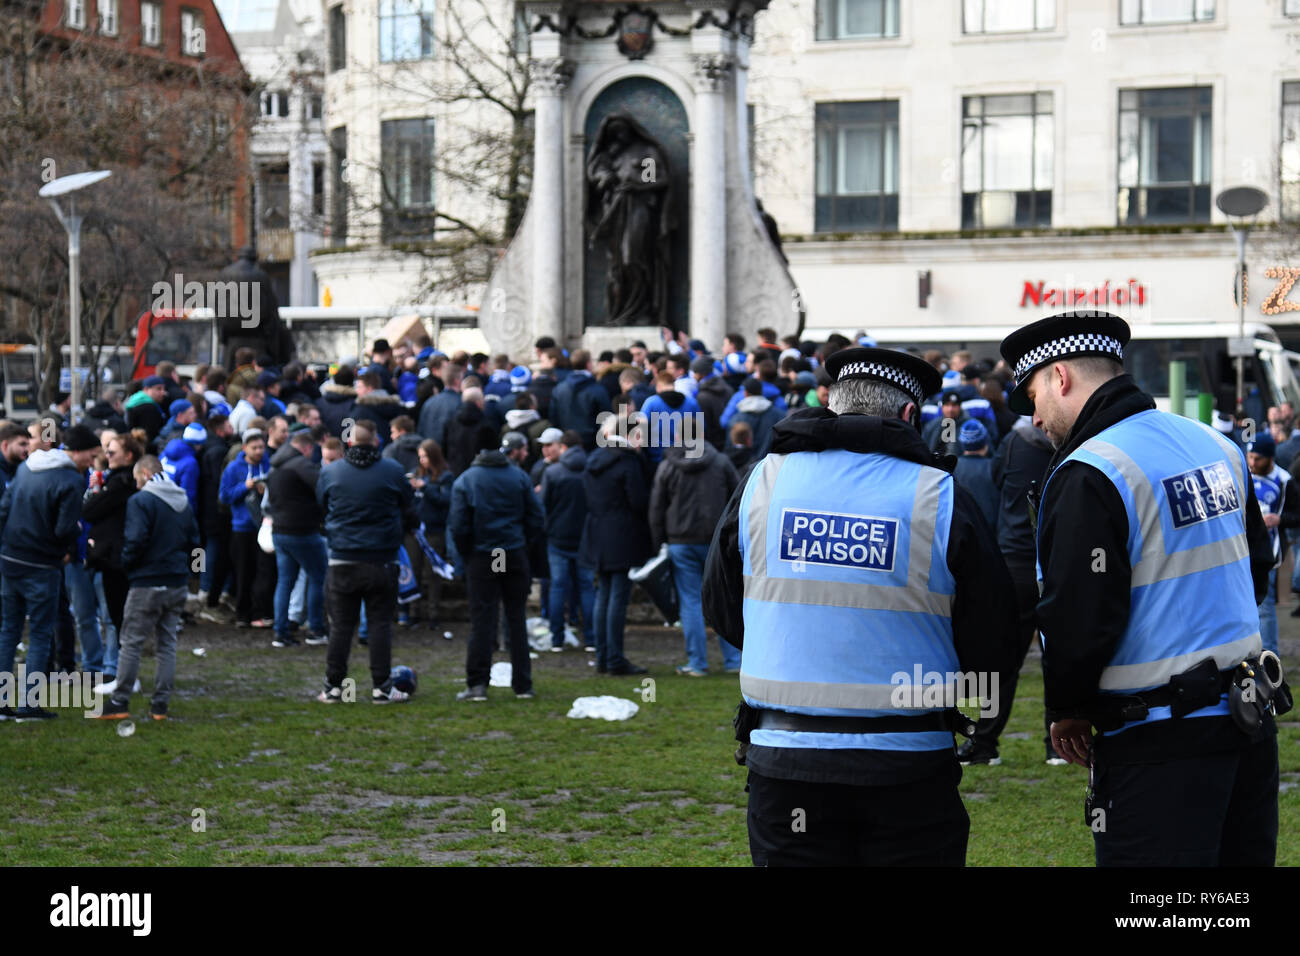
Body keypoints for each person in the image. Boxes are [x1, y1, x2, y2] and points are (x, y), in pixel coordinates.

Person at [702, 347, 1018, 866]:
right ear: (911, 417)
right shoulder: (938, 495)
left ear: (830, 403)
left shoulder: (765, 480)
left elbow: (720, 604)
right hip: (908, 766)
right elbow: (994, 634)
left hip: (786, 762)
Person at [1000, 312, 1278, 866]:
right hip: (1247, 723)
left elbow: (1080, 615)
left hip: (1157, 743)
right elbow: (1255, 568)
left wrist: (1069, 708)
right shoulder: (1214, 445)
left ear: (1060, 378)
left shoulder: (1090, 470)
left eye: (1033, 396)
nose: (1035, 417)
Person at [959, 414, 1057, 766]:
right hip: (1057, 561)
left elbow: (997, 480)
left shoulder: (1013, 443)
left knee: (1004, 660)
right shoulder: (1073, 443)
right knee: (1058, 658)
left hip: (1016, 559)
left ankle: (984, 742)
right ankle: (1057, 744)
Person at [0, 425, 100, 720]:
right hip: (42, 566)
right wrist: (77, 532)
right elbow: (63, 528)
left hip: (10, 560)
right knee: (41, 634)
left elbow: (3, 510)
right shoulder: (70, 479)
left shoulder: (26, 469)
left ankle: (2, 703)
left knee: (8, 631)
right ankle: (29, 705)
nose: (93, 463)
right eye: (92, 456)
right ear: (78, 452)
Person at [315, 419, 417, 704]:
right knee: (380, 624)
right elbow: (409, 507)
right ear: (376, 441)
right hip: (381, 559)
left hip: (343, 558)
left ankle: (333, 687)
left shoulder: (332, 472)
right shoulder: (393, 471)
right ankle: (382, 687)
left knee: (341, 626)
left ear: (349, 443)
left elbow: (321, 507)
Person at [93, 458, 198, 720]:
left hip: (147, 581)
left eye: (137, 477)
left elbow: (136, 539)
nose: (136, 483)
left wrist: (126, 565)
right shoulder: (183, 501)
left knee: (130, 642)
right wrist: (195, 573)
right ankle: (160, 705)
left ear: (146, 473)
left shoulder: (141, 501)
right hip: (176, 581)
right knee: (167, 644)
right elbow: (197, 542)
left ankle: (120, 701)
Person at [448, 431, 545, 701]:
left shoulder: (467, 480)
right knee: (516, 618)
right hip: (511, 551)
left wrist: (467, 553)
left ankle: (477, 683)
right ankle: (523, 684)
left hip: (484, 554)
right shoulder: (519, 477)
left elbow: (458, 524)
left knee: (482, 620)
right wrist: (522, 543)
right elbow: (536, 516)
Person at [650, 432, 740, 676]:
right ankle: (733, 660)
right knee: (723, 597)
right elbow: (738, 496)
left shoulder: (668, 465)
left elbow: (657, 506)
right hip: (715, 541)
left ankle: (698, 663)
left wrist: (659, 542)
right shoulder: (720, 462)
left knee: (690, 601)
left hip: (681, 540)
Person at [580, 414, 652, 676]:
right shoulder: (628, 462)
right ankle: (615, 659)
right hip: (622, 534)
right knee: (617, 599)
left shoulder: (593, 460)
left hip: (597, 533)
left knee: (603, 596)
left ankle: (603, 657)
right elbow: (638, 501)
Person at [83, 433, 142, 686]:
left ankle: (126, 675)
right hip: (112, 557)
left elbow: (89, 510)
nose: (106, 457)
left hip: (116, 559)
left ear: (128, 455)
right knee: (117, 617)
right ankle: (124, 673)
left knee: (119, 618)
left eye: (112, 452)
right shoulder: (117, 480)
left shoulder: (122, 482)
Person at [267, 428, 329, 648]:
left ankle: (281, 633)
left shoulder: (276, 466)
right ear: (307, 448)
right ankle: (316, 630)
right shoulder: (302, 466)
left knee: (285, 582)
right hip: (303, 532)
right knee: (317, 576)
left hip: (280, 531)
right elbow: (325, 488)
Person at [1244, 434, 1300, 658]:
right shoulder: (1244, 472)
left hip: (1270, 549)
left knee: (1265, 606)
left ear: (1269, 458)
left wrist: (1279, 519)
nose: (1252, 463)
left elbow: (1296, 514)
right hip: (1241, 548)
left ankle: (1269, 656)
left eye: (1257, 459)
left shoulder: (1284, 480)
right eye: (1250, 457)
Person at [540, 429, 595, 652]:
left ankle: (557, 639)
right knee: (587, 587)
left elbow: (544, 505)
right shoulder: (591, 469)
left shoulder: (553, 472)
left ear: (562, 447)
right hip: (584, 537)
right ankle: (591, 638)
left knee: (558, 588)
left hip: (558, 538)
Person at [219, 428, 274, 628]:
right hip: (241, 527)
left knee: (265, 571)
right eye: (255, 447)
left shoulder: (268, 464)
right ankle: (243, 614)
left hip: (265, 526)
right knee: (243, 572)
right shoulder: (233, 468)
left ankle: (263, 612)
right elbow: (224, 497)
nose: (259, 451)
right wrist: (246, 486)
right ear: (244, 448)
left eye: (261, 447)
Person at [410, 439, 454, 630]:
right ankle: (413, 613)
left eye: (425, 456)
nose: (422, 460)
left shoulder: (445, 477)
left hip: (435, 531)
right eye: (420, 456)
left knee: (433, 574)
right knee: (414, 571)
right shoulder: (417, 473)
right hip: (414, 531)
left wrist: (425, 488)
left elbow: (446, 500)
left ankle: (433, 614)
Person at [550, 349, 612, 451]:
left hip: (567, 441)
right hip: (592, 443)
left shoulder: (559, 389)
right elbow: (606, 418)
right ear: (588, 364)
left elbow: (554, 418)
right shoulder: (597, 389)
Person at [951, 420, 998, 533]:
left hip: (962, 531)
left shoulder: (954, 468)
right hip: (989, 531)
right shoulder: (993, 467)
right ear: (985, 442)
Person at [444, 387, 498, 476]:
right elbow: (492, 452)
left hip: (455, 472)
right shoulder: (486, 425)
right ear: (478, 403)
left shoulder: (450, 422)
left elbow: (445, 448)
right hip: (479, 475)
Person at [125, 377, 168, 443]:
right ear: (146, 389)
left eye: (163, 389)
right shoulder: (148, 408)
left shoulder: (134, 401)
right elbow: (150, 435)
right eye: (158, 389)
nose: (163, 392)